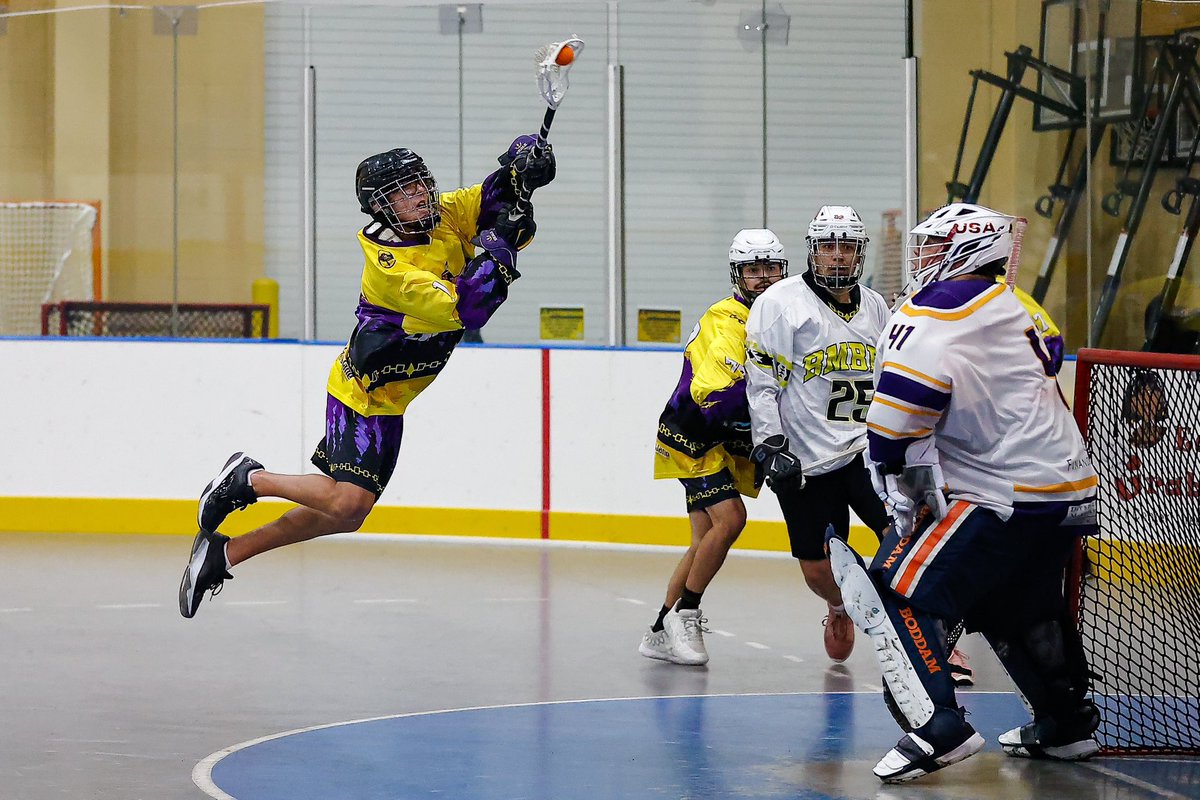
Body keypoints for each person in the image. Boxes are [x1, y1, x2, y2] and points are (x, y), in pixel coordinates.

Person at [179, 137, 555, 618]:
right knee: (346, 502)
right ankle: (249, 479)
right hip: (363, 393)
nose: (420, 194)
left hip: (393, 398)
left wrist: (521, 173)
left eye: (420, 181)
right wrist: (500, 246)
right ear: (382, 206)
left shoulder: (442, 216)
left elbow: (490, 199)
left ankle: (225, 554)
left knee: (347, 513)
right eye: (404, 191)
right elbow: (470, 307)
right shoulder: (391, 270)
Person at [828, 201, 1101, 783]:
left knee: (898, 589)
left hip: (1001, 491)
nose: (921, 258)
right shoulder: (1014, 303)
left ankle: (939, 728)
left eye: (931, 245)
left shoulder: (934, 310)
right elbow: (1046, 354)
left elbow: (898, 417)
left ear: (963, 247)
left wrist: (901, 483)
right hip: (1067, 488)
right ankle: (1066, 723)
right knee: (1016, 604)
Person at [744, 205, 892, 663]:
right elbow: (763, 384)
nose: (836, 257)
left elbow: (889, 380)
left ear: (859, 252)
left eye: (846, 246)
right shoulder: (781, 304)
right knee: (815, 570)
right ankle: (838, 604)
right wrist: (770, 445)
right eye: (827, 246)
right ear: (812, 250)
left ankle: (921, 632)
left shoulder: (876, 307)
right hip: (807, 460)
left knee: (902, 539)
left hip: (864, 452)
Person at [642, 229, 787, 666]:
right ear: (737, 275)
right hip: (696, 437)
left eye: (771, 268)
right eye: (753, 270)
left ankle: (658, 632)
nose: (763, 278)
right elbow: (713, 388)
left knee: (705, 538)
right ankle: (687, 612)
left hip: (723, 440)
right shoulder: (725, 320)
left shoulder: (784, 318)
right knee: (732, 520)